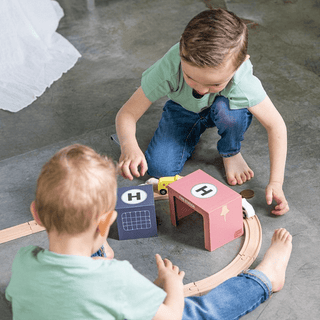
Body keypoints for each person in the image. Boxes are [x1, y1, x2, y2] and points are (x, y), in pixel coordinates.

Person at [5, 144, 292, 320]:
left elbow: (17, 299)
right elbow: (171, 316)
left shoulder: (23, 261)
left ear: (36, 215)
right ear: (106, 223)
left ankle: (93, 254)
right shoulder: (116, 280)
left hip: (87, 286)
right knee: (197, 313)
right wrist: (173, 288)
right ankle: (264, 278)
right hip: (115, 289)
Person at [116, 8, 289, 215]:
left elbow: (276, 125)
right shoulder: (169, 66)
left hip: (225, 108)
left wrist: (276, 182)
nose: (201, 90)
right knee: (159, 171)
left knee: (227, 111)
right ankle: (194, 129)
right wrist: (129, 146)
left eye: (215, 84)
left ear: (239, 65)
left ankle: (230, 151)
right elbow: (127, 113)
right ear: (181, 52)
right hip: (182, 110)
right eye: (190, 77)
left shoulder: (242, 79)